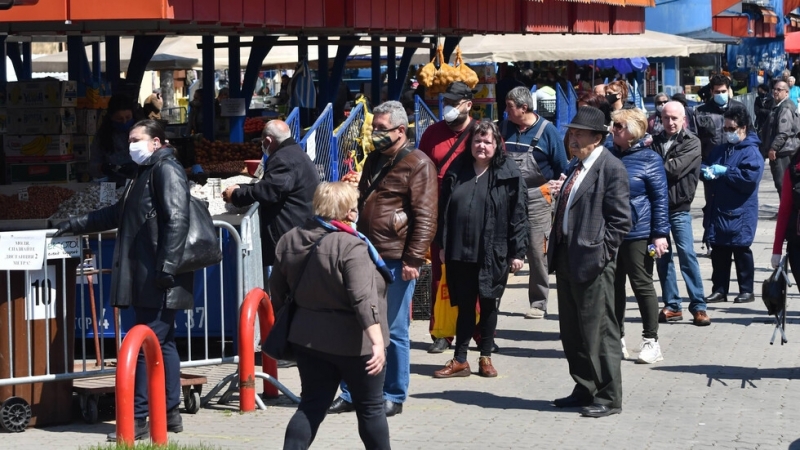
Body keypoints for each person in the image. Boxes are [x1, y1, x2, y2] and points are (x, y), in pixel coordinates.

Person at [54, 120, 191, 441]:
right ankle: (169, 412)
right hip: (149, 272)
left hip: (157, 273)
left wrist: (167, 267)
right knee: (163, 343)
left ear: (156, 142)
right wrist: (75, 223)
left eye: (136, 139)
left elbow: (177, 218)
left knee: (142, 346)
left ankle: (139, 418)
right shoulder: (144, 173)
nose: (130, 145)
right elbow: (119, 213)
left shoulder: (166, 170)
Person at [329, 101, 437, 417]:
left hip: (395, 256)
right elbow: (365, 194)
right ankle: (352, 391)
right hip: (366, 252)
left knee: (393, 328)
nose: (375, 134)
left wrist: (413, 259)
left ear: (400, 131)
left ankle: (393, 394)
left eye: (381, 129)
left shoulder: (418, 164)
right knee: (359, 323)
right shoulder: (376, 158)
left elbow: (426, 216)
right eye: (374, 128)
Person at [272, 182, 391, 450]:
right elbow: (362, 298)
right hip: (356, 343)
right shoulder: (352, 245)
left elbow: (278, 293)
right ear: (349, 212)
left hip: (308, 339)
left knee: (311, 406)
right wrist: (377, 342)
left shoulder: (289, 239)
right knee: (371, 408)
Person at [548, 106, 631, 418]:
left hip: (592, 261)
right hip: (568, 256)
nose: (573, 137)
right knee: (572, 331)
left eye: (579, 133)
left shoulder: (611, 168)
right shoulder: (577, 165)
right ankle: (585, 386)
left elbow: (621, 221)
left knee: (601, 331)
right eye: (572, 132)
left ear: (597, 139)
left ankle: (609, 396)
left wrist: (602, 252)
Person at [432, 120, 528, 379]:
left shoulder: (508, 173)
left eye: (487, 141)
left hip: (491, 251)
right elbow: (444, 210)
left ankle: (485, 355)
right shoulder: (457, 169)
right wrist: (442, 243)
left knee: (488, 304)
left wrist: (517, 252)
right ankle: (460, 360)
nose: (481, 146)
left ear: (497, 145)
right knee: (464, 306)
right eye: (477, 141)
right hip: (458, 251)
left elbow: (519, 214)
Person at [417, 81, 476, 354]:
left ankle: (480, 332)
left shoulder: (482, 132)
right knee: (440, 274)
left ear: (468, 105)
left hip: (473, 213)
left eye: (455, 102)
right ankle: (441, 332)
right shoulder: (432, 134)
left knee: (475, 273)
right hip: (439, 213)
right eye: (447, 102)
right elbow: (420, 170)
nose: (449, 108)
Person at [500, 86, 568, 319]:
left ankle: (538, 303)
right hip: (507, 196)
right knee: (501, 246)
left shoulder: (548, 132)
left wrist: (557, 186)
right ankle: (493, 299)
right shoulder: (505, 127)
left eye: (510, 107)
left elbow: (562, 167)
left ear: (524, 108)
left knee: (538, 250)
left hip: (538, 197)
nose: (506, 111)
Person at [608, 108, 670, 364]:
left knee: (642, 284)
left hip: (639, 232)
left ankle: (651, 341)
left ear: (633, 131)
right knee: (612, 287)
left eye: (619, 126)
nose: (613, 129)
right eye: (613, 125)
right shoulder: (607, 154)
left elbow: (659, 199)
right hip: (610, 232)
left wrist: (659, 234)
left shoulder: (649, 159)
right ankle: (617, 339)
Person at [222, 120, 319, 282]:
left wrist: (236, 195)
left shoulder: (283, 158)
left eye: (262, 142)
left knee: (286, 287)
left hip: (289, 235)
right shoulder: (294, 153)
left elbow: (269, 192)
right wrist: (242, 186)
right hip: (298, 230)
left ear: (268, 141)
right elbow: (273, 185)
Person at [652, 101, 709, 326]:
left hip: (679, 208)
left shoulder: (692, 142)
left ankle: (699, 306)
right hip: (657, 209)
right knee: (662, 257)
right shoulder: (654, 142)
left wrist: (654, 168)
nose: (670, 122)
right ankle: (672, 305)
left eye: (675, 118)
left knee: (687, 256)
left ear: (683, 119)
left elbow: (673, 170)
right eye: (666, 118)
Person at [701, 106, 764, 304]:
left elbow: (749, 179)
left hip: (741, 211)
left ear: (743, 128)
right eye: (726, 129)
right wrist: (706, 171)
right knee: (719, 251)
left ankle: (747, 289)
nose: (728, 132)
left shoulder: (751, 152)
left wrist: (726, 172)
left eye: (732, 128)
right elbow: (706, 163)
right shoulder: (721, 149)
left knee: (741, 250)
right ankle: (720, 289)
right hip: (719, 208)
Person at [89, 93, 145, 186]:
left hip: (140, 185)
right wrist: (102, 168)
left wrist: (138, 167)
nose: (124, 122)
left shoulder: (145, 132)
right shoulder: (102, 136)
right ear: (111, 118)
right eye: (119, 119)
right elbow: (92, 166)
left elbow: (157, 161)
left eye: (128, 117)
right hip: (112, 186)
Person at [759, 80, 799, 196]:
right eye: (774, 89)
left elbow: (783, 132)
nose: (775, 92)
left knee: (782, 184)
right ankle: (785, 212)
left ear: (786, 93)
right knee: (785, 184)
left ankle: (786, 213)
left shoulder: (785, 107)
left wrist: (773, 148)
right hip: (785, 150)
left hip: (783, 152)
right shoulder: (779, 106)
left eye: (779, 90)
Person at [693, 75, 745, 161]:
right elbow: (694, 138)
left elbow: (750, 133)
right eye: (717, 92)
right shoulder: (701, 112)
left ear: (728, 91)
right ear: (711, 92)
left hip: (734, 160)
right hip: (709, 161)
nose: (720, 94)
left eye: (723, 91)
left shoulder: (739, 108)